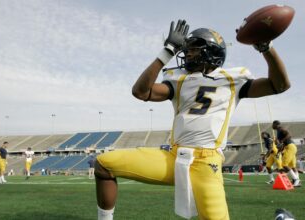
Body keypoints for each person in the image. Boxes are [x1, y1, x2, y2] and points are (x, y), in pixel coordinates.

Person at [94, 19, 290, 220]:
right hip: (173, 157)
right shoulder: (178, 80)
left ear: (212, 51)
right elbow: (140, 91)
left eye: (195, 48)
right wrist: (167, 51)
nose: (188, 53)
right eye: (187, 49)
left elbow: (280, 85)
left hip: (207, 162)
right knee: (104, 164)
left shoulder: (233, 80)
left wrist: (267, 48)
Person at [272, 120, 301, 187]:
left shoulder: (280, 129)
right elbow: (282, 146)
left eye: (273, 124)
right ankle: (297, 181)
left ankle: (296, 179)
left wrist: (282, 141)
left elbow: (289, 135)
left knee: (284, 165)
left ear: (276, 124)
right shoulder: (278, 131)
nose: (272, 126)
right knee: (293, 166)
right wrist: (278, 152)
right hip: (291, 147)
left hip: (290, 147)